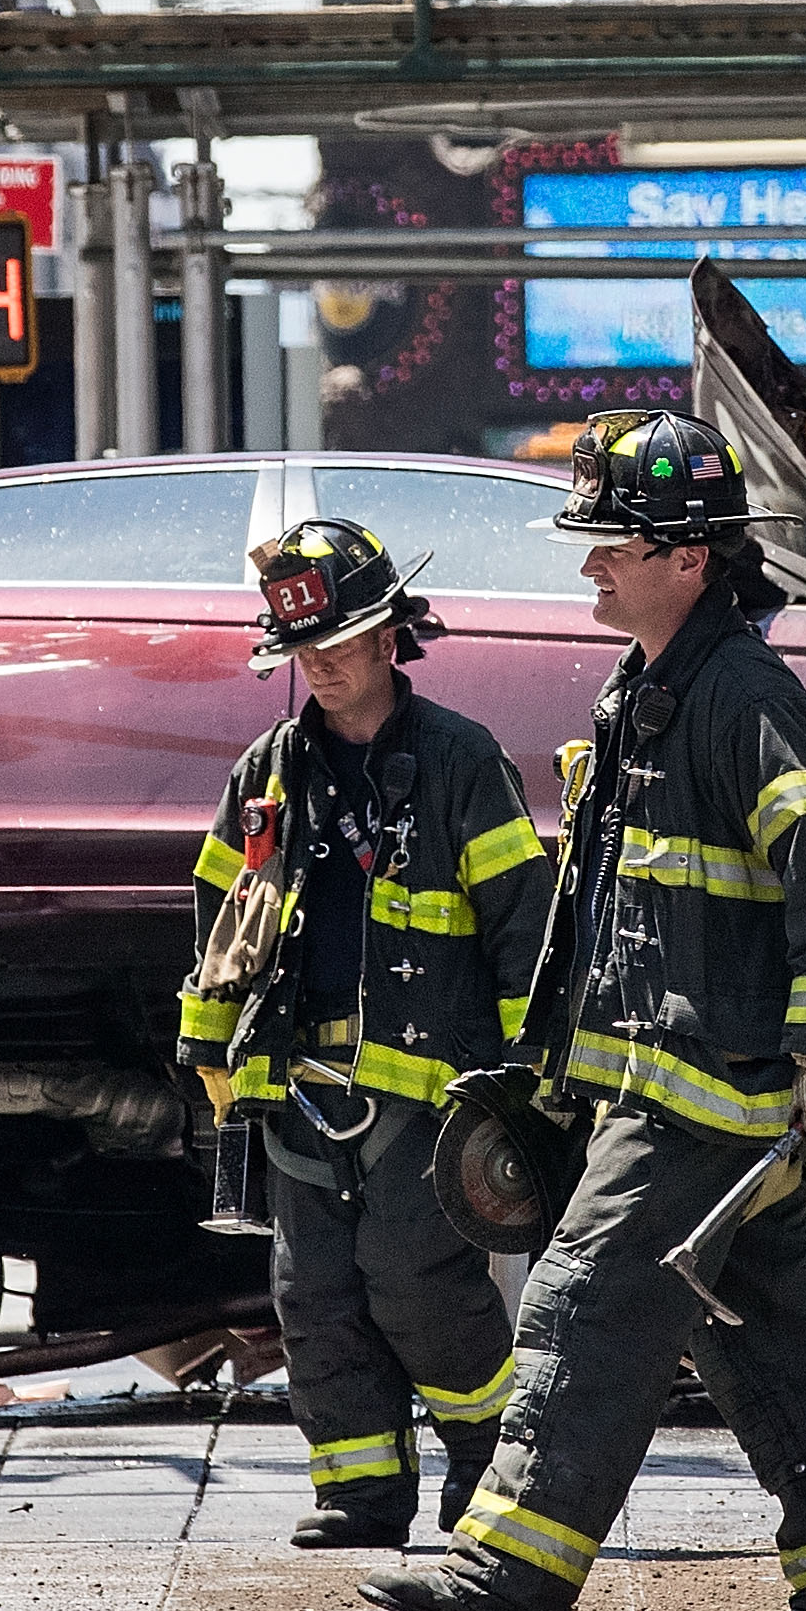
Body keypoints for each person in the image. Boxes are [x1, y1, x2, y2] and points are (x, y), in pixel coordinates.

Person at [360, 409, 806, 1611]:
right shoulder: (652, 688)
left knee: (584, 1302)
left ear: (688, 557)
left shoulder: (743, 698)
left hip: (705, 1094)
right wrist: (561, 1071)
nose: (590, 566)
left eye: (612, 546)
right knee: (775, 1338)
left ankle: (511, 1570)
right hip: (674, 1083)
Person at [177, 519, 553, 1549]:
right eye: (302, 648)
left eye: (337, 642)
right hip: (296, 1083)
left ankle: (488, 1471)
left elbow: (523, 925)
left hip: (430, 1091)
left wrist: (528, 1081)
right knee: (314, 1296)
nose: (319, 664)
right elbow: (218, 918)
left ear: (392, 638)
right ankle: (361, 1492)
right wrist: (207, 1053)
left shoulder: (460, 759)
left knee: (418, 1286)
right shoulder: (269, 769)